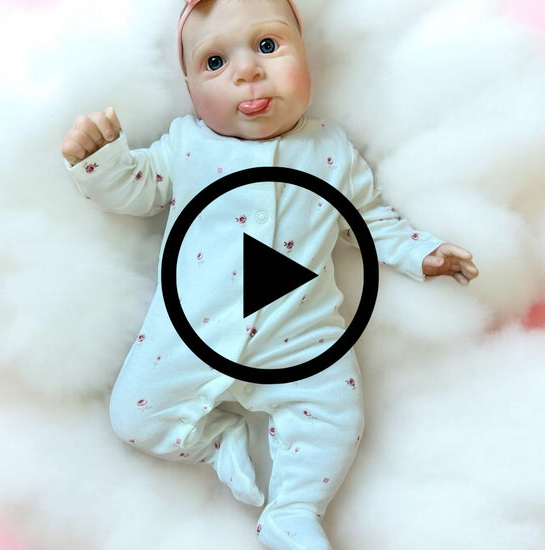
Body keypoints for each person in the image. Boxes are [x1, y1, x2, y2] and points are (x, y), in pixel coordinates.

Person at [61, 1, 479, 548]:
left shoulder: (329, 150)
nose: (247, 72)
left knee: (336, 415)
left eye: (267, 46)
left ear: (307, 55)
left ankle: (294, 509)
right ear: (189, 89)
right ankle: (218, 441)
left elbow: (370, 221)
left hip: (302, 337)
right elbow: (135, 189)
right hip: (193, 333)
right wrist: (100, 160)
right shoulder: (186, 146)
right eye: (214, 62)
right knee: (134, 420)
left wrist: (422, 253)